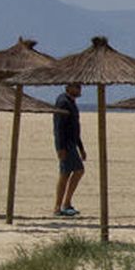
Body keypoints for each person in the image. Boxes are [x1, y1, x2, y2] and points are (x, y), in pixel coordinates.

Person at [53, 82, 85, 216]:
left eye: (80, 87)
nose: (79, 89)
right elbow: (58, 127)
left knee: (68, 173)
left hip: (72, 143)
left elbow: (75, 129)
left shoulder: (71, 102)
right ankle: (61, 205)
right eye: (76, 87)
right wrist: (60, 147)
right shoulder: (63, 102)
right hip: (66, 144)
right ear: (68, 88)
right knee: (75, 171)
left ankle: (64, 204)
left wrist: (81, 148)